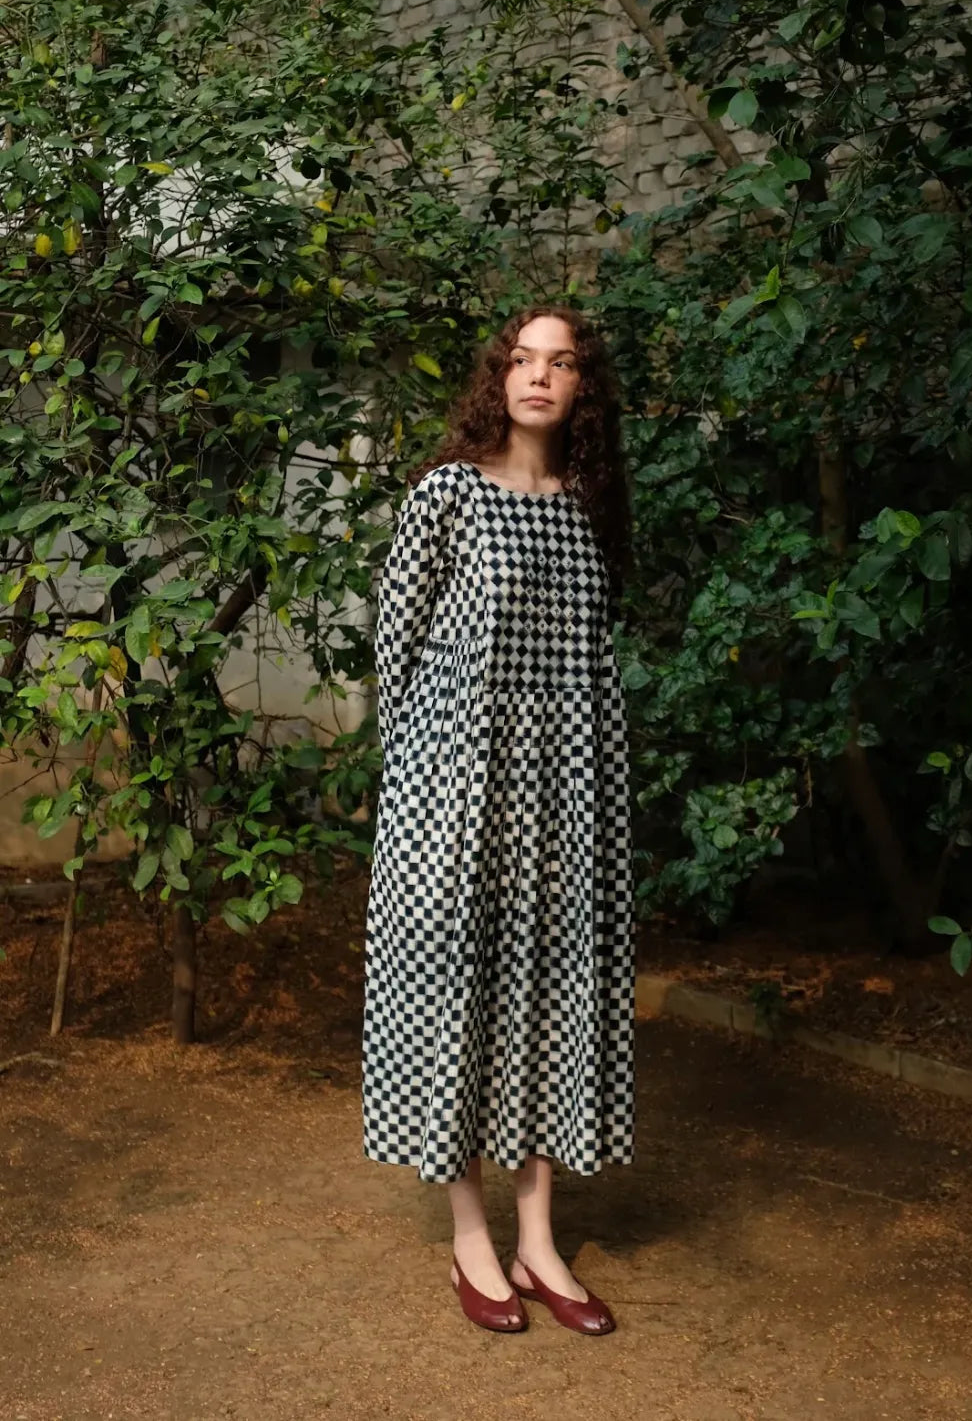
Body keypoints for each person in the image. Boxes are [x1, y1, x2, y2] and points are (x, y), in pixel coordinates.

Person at [361, 305, 635, 1336]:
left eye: (560, 363)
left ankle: (539, 1241)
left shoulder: (588, 505)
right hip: (455, 792)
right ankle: (471, 1239)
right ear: (499, 377)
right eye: (522, 359)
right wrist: (423, 781)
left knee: (549, 998)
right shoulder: (448, 493)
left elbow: (593, 656)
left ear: (582, 388)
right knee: (455, 998)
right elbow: (398, 646)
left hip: (567, 795)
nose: (538, 376)